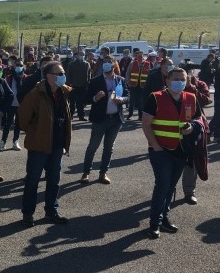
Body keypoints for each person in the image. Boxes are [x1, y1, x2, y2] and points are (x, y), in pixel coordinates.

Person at [141, 68, 201, 239]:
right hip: (161, 150)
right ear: (167, 80)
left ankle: (164, 218)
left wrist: (193, 126)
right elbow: (146, 124)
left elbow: (197, 119)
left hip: (181, 151)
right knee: (162, 185)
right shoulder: (156, 97)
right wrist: (156, 147)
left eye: (183, 79)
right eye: (176, 79)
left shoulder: (191, 98)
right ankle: (154, 223)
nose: (180, 82)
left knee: (170, 187)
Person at [18, 61, 72, 227]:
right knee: (33, 180)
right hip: (39, 145)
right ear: (49, 76)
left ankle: (51, 210)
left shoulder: (63, 92)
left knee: (54, 179)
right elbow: (23, 120)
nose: (63, 76)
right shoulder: (35, 94)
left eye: (63, 73)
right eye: (59, 73)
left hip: (57, 144)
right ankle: (28, 214)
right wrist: (36, 133)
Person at [81, 56, 130, 184]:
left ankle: (103, 173)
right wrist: (95, 98)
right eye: (104, 62)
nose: (106, 64)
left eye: (109, 62)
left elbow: (128, 95)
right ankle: (86, 172)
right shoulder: (95, 81)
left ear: (115, 64)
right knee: (93, 146)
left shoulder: (120, 80)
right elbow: (86, 99)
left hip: (115, 119)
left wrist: (122, 100)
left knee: (109, 147)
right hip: (100, 119)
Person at [179, 68, 212, 205]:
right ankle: (166, 191)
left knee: (192, 162)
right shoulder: (170, 86)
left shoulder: (200, 84)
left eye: (187, 74)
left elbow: (206, 100)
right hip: (174, 130)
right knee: (171, 163)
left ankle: (189, 192)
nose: (182, 80)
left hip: (195, 129)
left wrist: (191, 87)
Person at [1, 60, 27, 151]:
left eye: (20, 65)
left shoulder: (25, 78)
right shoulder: (8, 78)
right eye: (17, 65)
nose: (19, 67)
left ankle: (15, 141)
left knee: (18, 124)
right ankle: (3, 141)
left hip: (20, 105)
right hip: (11, 104)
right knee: (8, 124)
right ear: (13, 66)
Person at [66, 50, 92, 121]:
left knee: (81, 103)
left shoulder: (86, 64)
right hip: (73, 85)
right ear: (77, 55)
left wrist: (88, 82)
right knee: (72, 102)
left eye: (83, 54)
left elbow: (89, 74)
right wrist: (69, 83)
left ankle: (81, 116)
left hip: (83, 86)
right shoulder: (72, 64)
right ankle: (70, 116)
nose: (81, 56)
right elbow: (68, 74)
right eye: (80, 54)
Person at [126, 50, 150, 120]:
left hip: (142, 86)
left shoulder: (147, 64)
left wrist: (147, 85)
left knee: (140, 101)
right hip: (133, 85)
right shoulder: (132, 63)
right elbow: (128, 73)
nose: (140, 56)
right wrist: (128, 83)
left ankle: (140, 116)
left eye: (141, 55)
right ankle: (130, 114)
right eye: (138, 55)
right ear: (136, 56)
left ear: (143, 55)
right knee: (132, 101)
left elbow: (149, 75)